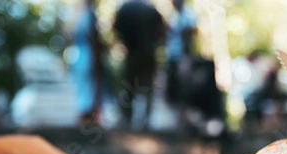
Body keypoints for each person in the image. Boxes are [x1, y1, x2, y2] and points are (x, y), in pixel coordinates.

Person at [113, 0, 165, 128]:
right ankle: (145, 119)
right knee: (147, 87)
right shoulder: (151, 9)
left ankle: (127, 117)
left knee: (128, 86)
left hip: (132, 53)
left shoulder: (125, 8)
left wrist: (126, 43)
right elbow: (162, 31)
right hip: (148, 53)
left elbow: (116, 29)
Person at [69, 0, 105, 125]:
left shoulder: (77, 16)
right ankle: (87, 113)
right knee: (89, 84)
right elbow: (92, 37)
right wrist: (96, 55)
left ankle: (86, 113)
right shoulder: (88, 15)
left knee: (83, 84)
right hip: (86, 54)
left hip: (78, 54)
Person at [165, 0, 197, 106]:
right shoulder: (174, 16)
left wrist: (185, 56)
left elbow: (189, 37)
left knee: (182, 85)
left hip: (182, 56)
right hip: (172, 55)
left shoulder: (188, 15)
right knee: (173, 84)